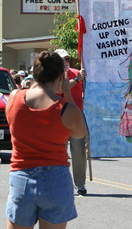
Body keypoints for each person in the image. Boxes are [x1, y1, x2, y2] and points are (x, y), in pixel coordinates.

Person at [5, 51, 87, 228]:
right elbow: (80, 133)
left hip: (22, 176)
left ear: (35, 73)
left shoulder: (14, 98)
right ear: (61, 76)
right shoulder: (67, 109)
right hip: (56, 179)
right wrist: (67, 92)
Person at [54, 48, 88, 196]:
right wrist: (77, 80)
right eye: (61, 60)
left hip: (77, 116)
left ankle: (80, 184)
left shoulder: (77, 72)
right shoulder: (53, 76)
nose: (65, 62)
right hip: (59, 114)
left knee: (79, 150)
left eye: (67, 59)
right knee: (59, 150)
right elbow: (60, 89)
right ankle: (60, 183)